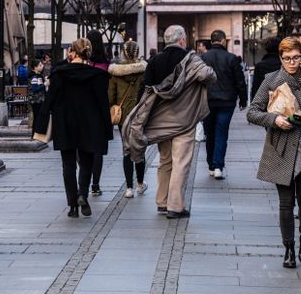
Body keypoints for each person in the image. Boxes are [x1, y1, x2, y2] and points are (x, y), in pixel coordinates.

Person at [124, 25, 216, 219]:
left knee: (165, 161)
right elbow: (209, 76)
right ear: (182, 40)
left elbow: (146, 90)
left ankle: (162, 201)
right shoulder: (191, 60)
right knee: (181, 163)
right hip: (184, 120)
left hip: (160, 123)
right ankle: (175, 206)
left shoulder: (155, 61)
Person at [247, 37, 301, 268]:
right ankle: (289, 249)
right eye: (287, 59)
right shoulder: (271, 80)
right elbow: (252, 112)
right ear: (280, 58)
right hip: (281, 147)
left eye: (295, 58)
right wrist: (274, 119)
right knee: (286, 202)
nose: (291, 63)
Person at [34, 38, 112, 218]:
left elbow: (49, 100)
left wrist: (40, 125)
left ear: (73, 52)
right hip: (90, 123)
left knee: (68, 164)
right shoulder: (98, 76)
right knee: (86, 162)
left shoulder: (59, 74)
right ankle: (82, 194)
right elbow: (103, 105)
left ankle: (72, 206)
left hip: (65, 123)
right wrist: (107, 130)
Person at [201, 30, 248, 180]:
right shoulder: (232, 58)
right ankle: (218, 166)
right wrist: (243, 99)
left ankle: (210, 165)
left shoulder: (203, 58)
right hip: (227, 101)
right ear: (223, 41)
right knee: (222, 133)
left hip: (208, 101)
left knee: (210, 134)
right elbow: (239, 81)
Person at [108, 40, 148, 198]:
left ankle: (128, 188)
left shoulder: (115, 73)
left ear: (123, 52)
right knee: (139, 148)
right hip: (140, 115)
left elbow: (110, 97)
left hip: (123, 115)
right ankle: (140, 184)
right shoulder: (144, 71)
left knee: (126, 150)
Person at [86, 30, 111, 195]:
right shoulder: (106, 65)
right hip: (100, 111)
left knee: (84, 149)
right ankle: (95, 184)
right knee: (98, 150)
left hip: (83, 111)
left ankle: (85, 182)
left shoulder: (83, 64)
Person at [27, 59, 45, 131]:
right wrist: (44, 85)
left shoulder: (38, 75)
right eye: (40, 65)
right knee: (37, 117)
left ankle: (36, 133)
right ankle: (34, 133)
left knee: (38, 117)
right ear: (35, 67)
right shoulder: (34, 77)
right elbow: (34, 89)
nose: (42, 66)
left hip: (38, 99)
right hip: (36, 100)